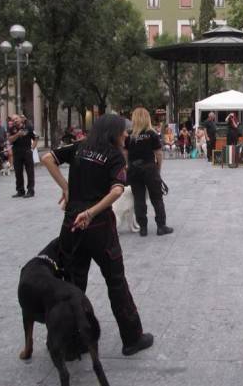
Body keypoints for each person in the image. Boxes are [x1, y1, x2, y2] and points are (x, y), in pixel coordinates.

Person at [41, 114, 154, 357]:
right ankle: (132, 338)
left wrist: (66, 188)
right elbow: (117, 190)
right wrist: (91, 212)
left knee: (72, 283)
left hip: (71, 224)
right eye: (123, 131)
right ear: (113, 132)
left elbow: (47, 158)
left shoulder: (80, 147)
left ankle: (69, 344)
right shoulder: (114, 156)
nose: (126, 135)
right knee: (116, 281)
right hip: (99, 227)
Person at [125, 107, 173, 237]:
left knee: (139, 199)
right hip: (149, 168)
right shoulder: (151, 134)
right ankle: (161, 226)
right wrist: (158, 169)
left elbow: (125, 153)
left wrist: (127, 167)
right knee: (156, 197)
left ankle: (143, 228)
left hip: (134, 170)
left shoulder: (129, 135)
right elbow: (158, 153)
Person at [8, 114, 38, 198]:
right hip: (17, 152)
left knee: (30, 172)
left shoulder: (28, 127)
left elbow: (36, 138)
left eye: (16, 118)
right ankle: (20, 190)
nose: (15, 120)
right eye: (13, 120)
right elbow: (10, 140)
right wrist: (17, 134)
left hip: (27, 151)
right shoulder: (12, 129)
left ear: (20, 119)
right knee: (18, 172)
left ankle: (30, 190)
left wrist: (32, 149)